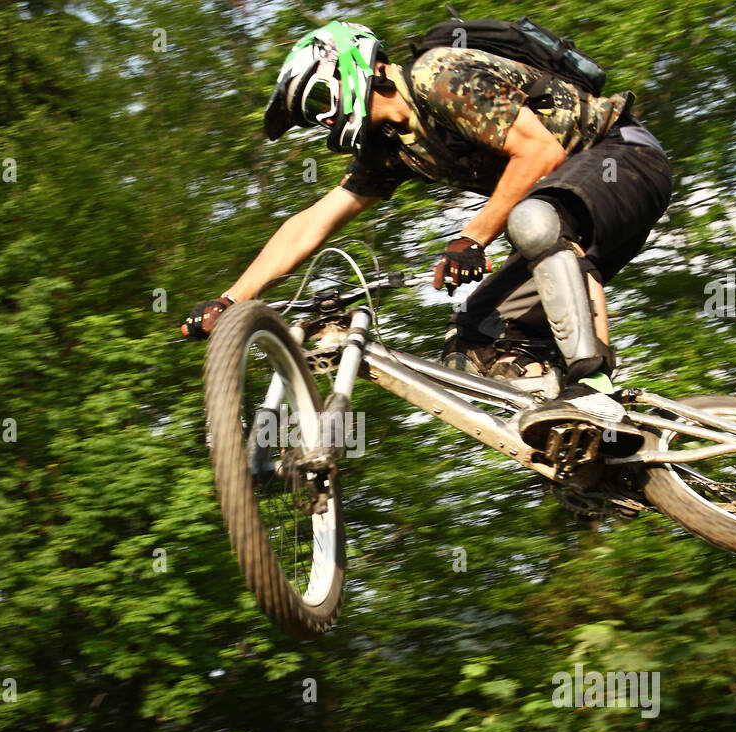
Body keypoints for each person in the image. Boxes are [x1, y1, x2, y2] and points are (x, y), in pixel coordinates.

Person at [182, 20, 671, 456]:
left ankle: (595, 389)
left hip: (622, 159)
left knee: (534, 220)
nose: (323, 121)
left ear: (354, 68)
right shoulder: (391, 150)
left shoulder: (437, 75)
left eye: (319, 102)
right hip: (575, 217)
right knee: (472, 343)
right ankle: (588, 448)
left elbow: (540, 155)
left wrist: (473, 237)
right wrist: (231, 299)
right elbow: (314, 221)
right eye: (312, 117)